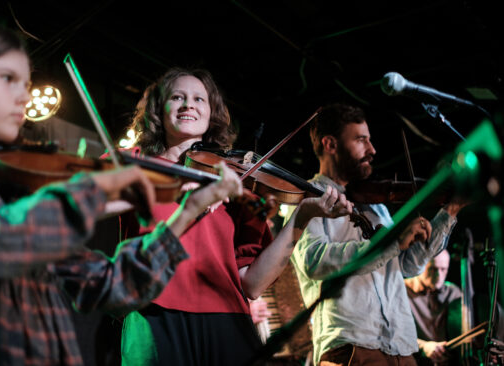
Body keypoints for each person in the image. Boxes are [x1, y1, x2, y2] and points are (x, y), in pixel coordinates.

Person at [0, 18, 244, 366]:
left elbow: (113, 287)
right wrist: (98, 188)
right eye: (7, 79)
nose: (24, 95)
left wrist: (186, 210)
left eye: (27, 83)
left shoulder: (9, 191)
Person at [119, 68, 354, 366]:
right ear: (158, 109)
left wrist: (302, 218)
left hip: (227, 318)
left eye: (198, 99)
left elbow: (253, 284)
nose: (188, 104)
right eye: (177, 97)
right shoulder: (134, 164)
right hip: (155, 311)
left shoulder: (236, 184)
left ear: (211, 113)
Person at [287, 103, 465, 366]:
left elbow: (407, 266)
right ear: (330, 144)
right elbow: (314, 261)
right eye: (361, 140)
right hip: (352, 347)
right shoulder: (309, 197)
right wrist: (390, 243)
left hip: (402, 347)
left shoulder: (376, 204)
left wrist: (451, 209)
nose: (372, 150)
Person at [404, 249, 462, 365]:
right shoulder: (401, 290)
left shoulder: (452, 293)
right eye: (433, 269)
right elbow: (393, 334)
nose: (438, 275)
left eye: (443, 269)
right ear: (419, 265)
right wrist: (423, 347)